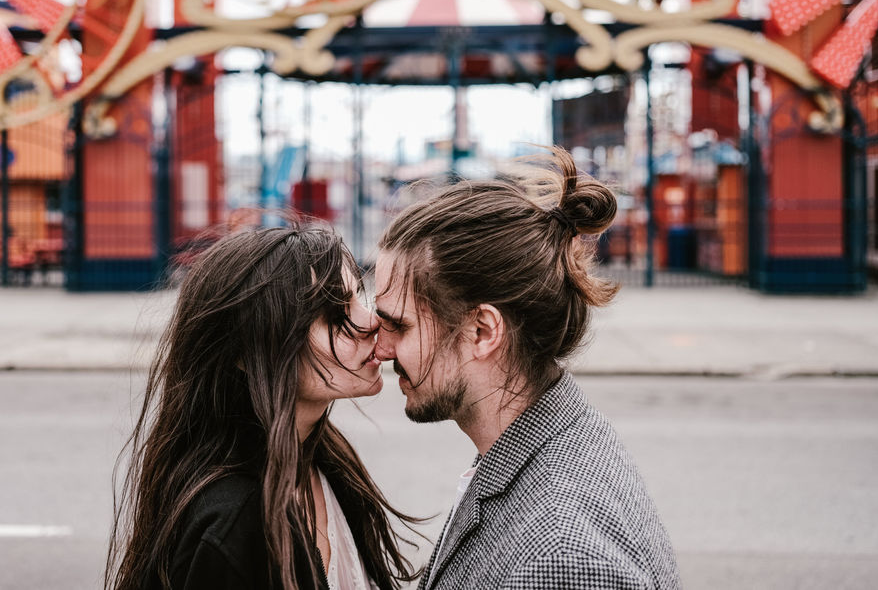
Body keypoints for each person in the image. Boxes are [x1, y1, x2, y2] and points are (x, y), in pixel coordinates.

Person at [373, 149, 681, 589]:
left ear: (482, 331)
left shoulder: (562, 559)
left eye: (398, 325)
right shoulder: (547, 438)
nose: (381, 348)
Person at [106, 225, 421, 590]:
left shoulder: (324, 462)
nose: (372, 322)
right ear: (249, 351)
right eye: (336, 311)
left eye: (359, 297)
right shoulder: (236, 525)